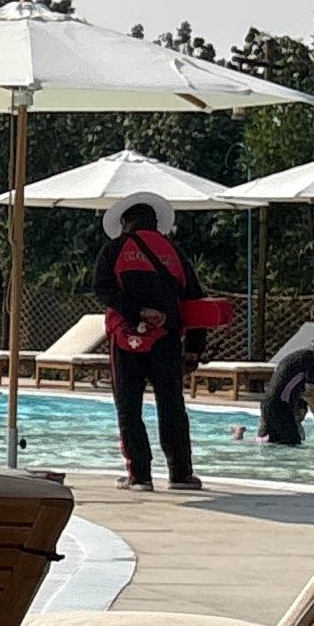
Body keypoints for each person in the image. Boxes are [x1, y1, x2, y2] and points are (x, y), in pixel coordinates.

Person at [92, 193, 202, 491]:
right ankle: (180, 474)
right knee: (172, 405)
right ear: (155, 223)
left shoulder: (114, 249)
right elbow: (194, 302)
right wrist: (194, 350)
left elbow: (102, 289)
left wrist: (137, 311)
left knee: (129, 407)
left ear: (124, 222)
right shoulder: (174, 252)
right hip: (167, 340)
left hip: (125, 339)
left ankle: (140, 476)